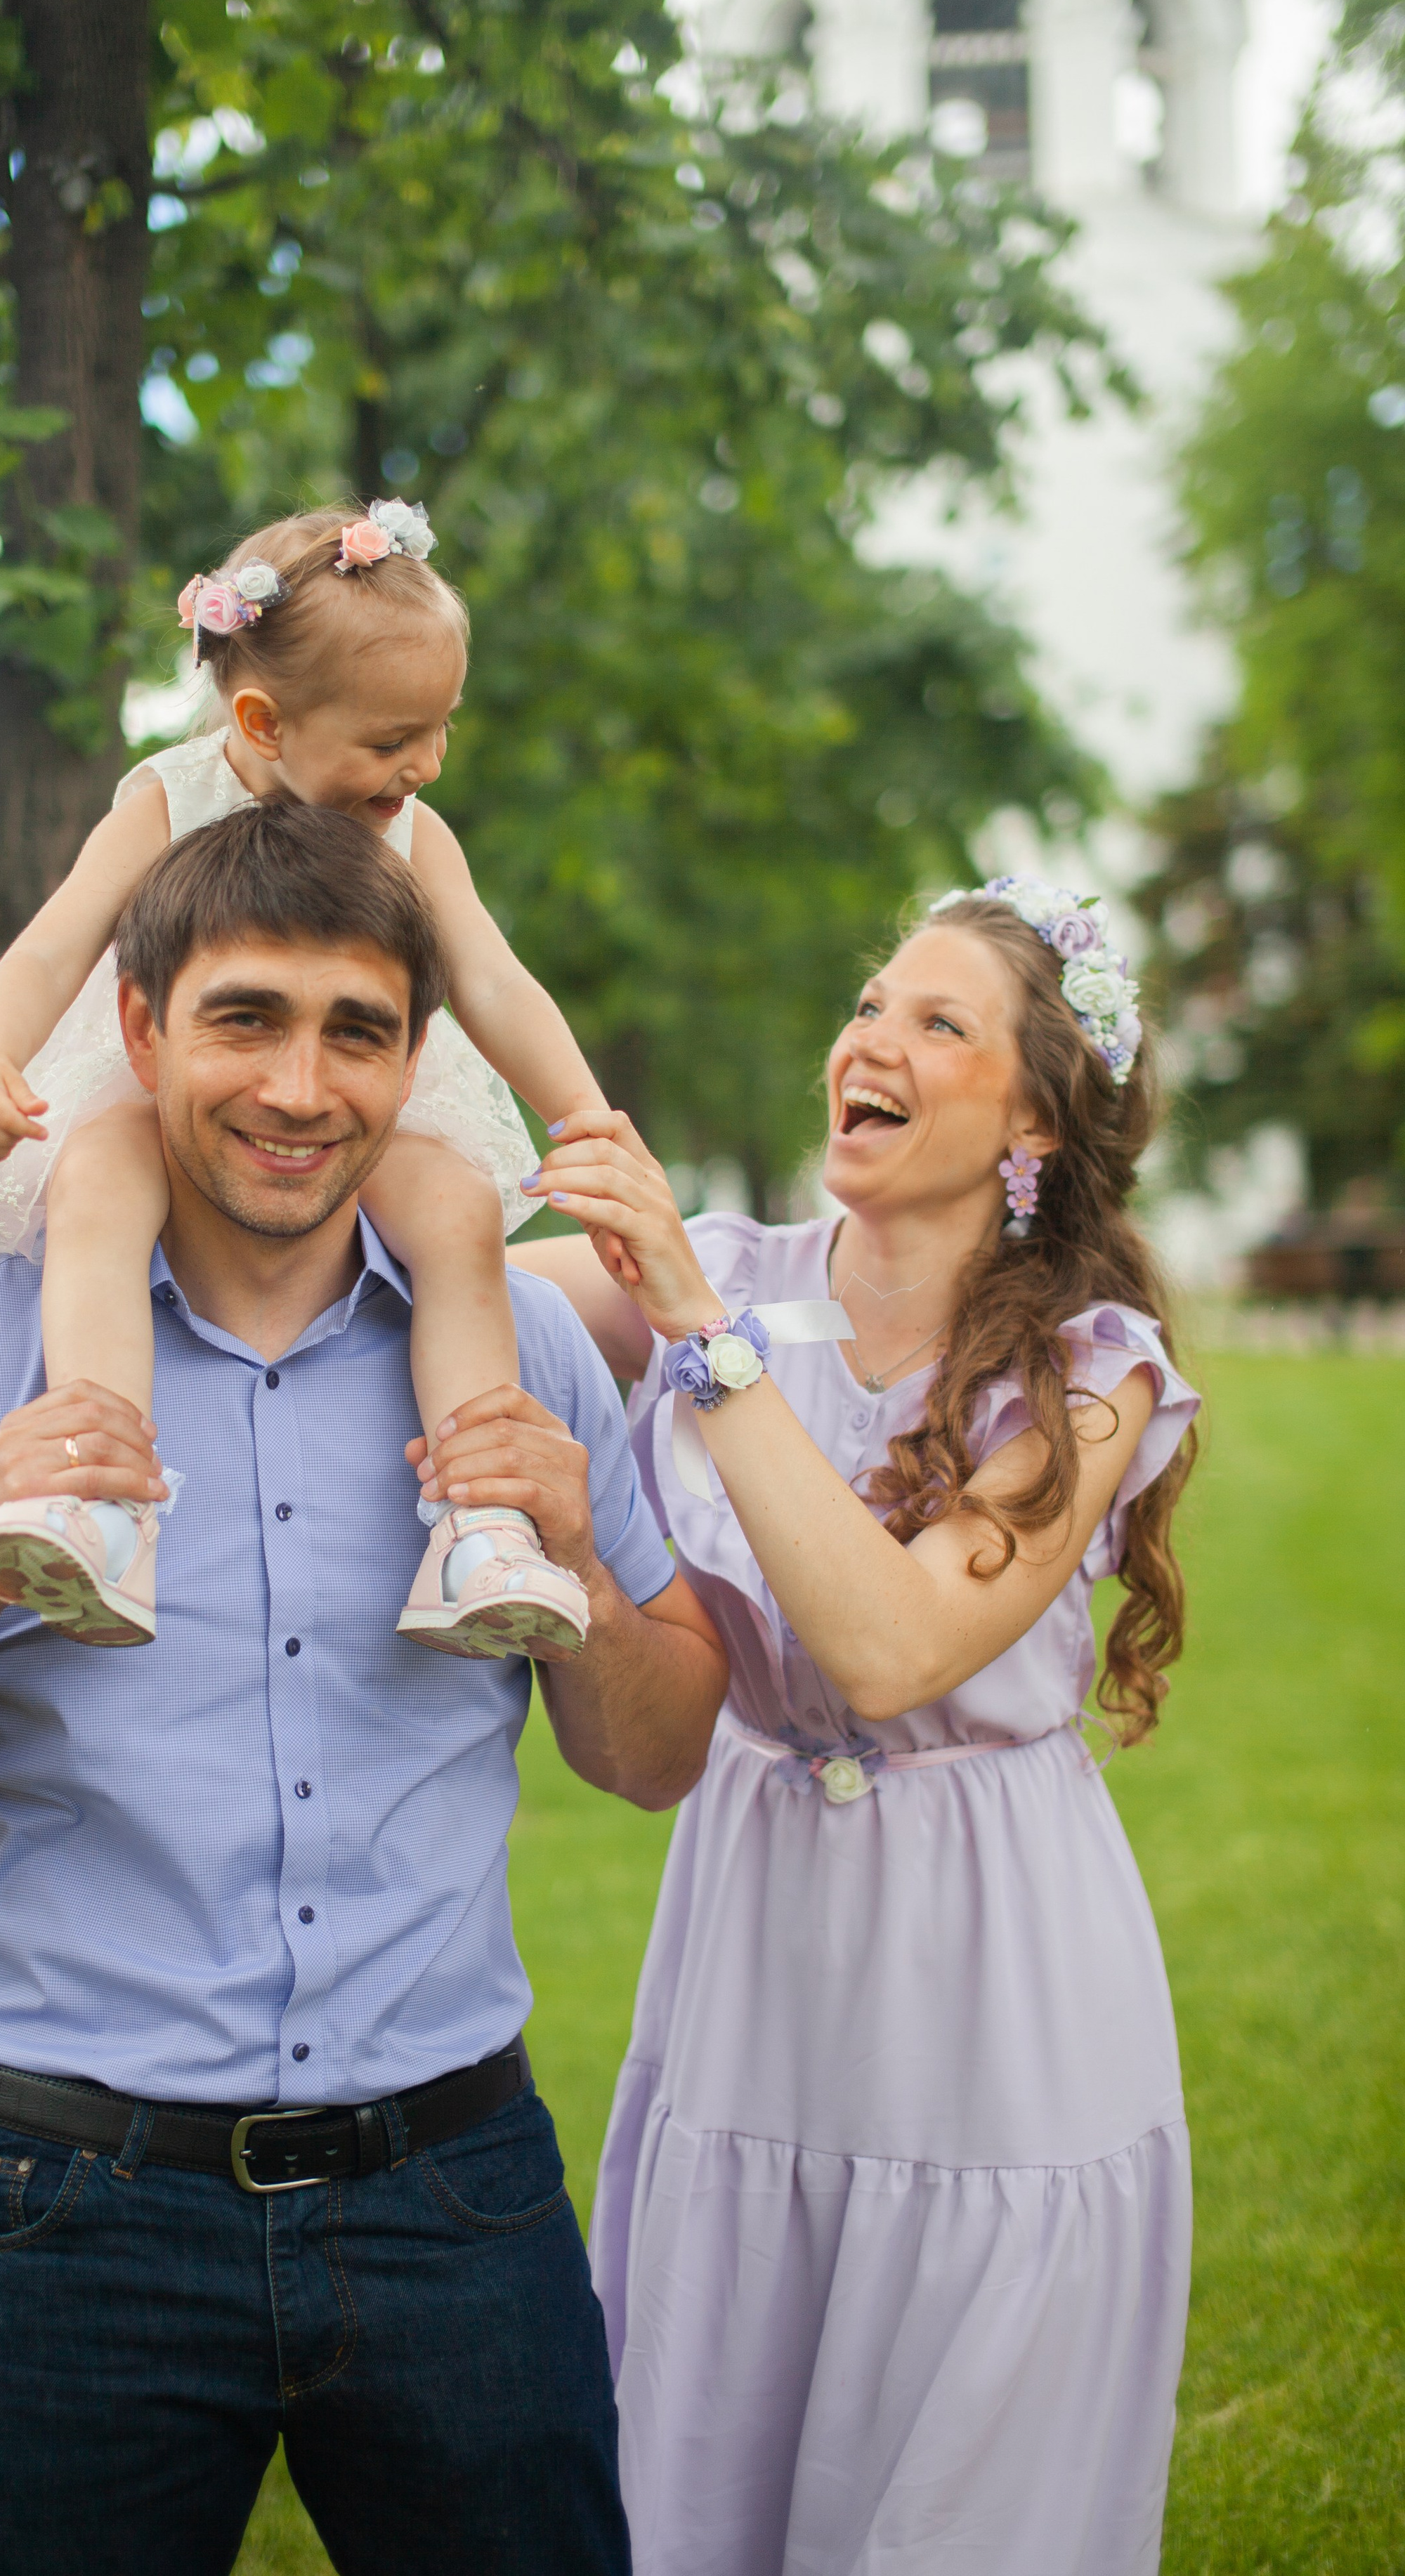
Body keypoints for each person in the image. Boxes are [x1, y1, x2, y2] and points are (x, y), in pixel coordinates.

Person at [0, 799, 727, 2576]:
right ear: (145, 1029)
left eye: (358, 1030)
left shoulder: (526, 1352)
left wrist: (571, 1590)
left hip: (454, 2200)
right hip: (67, 2219)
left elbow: (655, 1749)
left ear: (416, 1057)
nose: (301, 1087)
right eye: (246, 1016)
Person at [490, 879, 1201, 2576]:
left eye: (934, 1021)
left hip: (987, 1962)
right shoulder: (728, 1276)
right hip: (749, 1948)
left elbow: (886, 1643)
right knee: (712, 2419)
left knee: (955, 2466)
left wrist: (697, 1335)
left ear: (1028, 1115)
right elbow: (413, 1249)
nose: (866, 1038)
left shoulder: (1090, 1375)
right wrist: (32, 1173)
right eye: (867, 999)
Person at [0, 497, 604, 1660]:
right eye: (388, 741)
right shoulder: (170, 798)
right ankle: (97, 1490)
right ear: (263, 720)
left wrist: (585, 1121)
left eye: (440, 731)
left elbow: (496, 983)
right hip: (157, 1094)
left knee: (463, 1215)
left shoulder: (417, 834)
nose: (420, 767)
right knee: (101, 1186)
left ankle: (482, 1524)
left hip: (377, 1106)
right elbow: (53, 946)